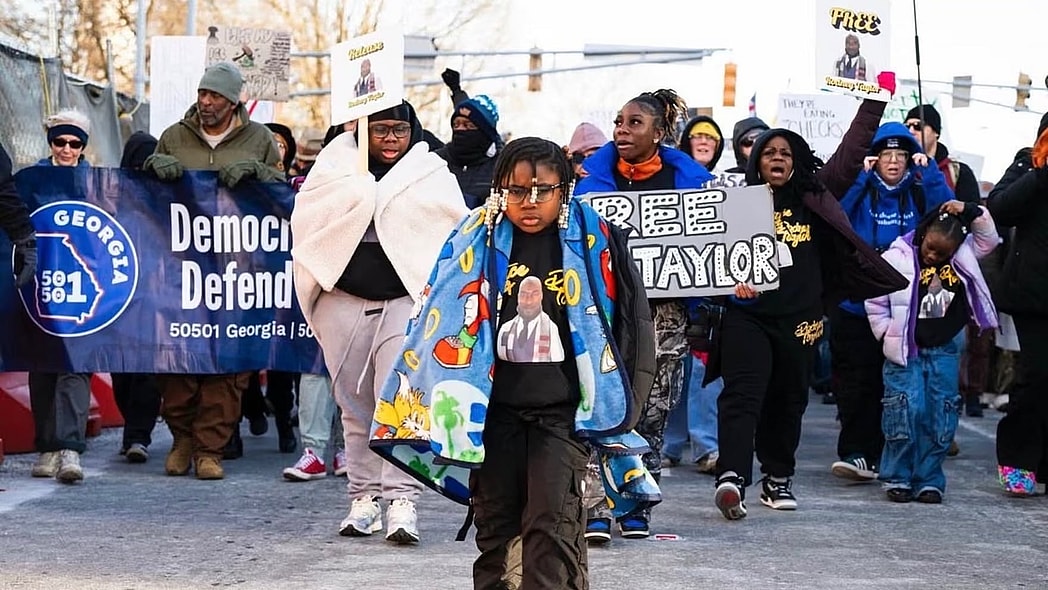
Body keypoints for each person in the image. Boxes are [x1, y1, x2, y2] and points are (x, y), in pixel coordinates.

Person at [367, 137, 657, 588]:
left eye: (543, 189)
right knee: (497, 533)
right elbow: (434, 323)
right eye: (516, 190)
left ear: (565, 190)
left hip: (562, 417)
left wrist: (627, 404)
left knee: (551, 526)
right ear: (499, 189)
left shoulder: (596, 239)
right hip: (492, 414)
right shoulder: (472, 240)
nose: (530, 201)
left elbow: (631, 329)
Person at [708, 99, 907, 521]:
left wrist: (873, 102)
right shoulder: (735, 202)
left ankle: (778, 478)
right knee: (742, 394)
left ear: (797, 163)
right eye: (768, 151)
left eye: (785, 152)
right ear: (756, 162)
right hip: (748, 316)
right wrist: (730, 283)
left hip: (802, 320)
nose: (777, 157)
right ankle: (732, 476)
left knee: (788, 399)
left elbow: (852, 152)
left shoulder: (817, 195)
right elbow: (712, 257)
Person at [290, 100, 468, 543]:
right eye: (381, 129)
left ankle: (402, 501)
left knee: (401, 403)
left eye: (400, 130)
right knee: (354, 405)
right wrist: (364, 195)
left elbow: (453, 229)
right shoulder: (334, 167)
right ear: (362, 129)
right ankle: (363, 499)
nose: (391, 139)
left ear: (413, 132)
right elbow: (308, 223)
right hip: (341, 298)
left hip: (407, 300)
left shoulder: (430, 171)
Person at [575, 88, 714, 539]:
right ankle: (596, 506)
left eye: (634, 123)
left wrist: (731, 282)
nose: (621, 130)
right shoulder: (588, 185)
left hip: (664, 315)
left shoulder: (692, 186)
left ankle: (636, 504)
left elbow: (712, 252)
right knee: (601, 406)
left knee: (651, 413)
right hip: (604, 313)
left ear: (660, 133)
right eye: (618, 121)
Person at [142, 61, 284, 480]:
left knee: (229, 366)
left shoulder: (259, 139)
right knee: (176, 359)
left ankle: (210, 450)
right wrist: (154, 167)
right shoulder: (173, 136)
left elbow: (281, 190)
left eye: (215, 96)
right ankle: (182, 437)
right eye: (203, 94)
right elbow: (143, 197)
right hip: (179, 266)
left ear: (234, 100)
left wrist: (260, 172)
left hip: (236, 269)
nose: (205, 102)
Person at [831, 121, 956, 483]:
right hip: (857, 305)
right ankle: (857, 454)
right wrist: (859, 177)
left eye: (901, 155)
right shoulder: (862, 189)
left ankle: (897, 458)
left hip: (906, 310)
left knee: (904, 388)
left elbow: (943, 217)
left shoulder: (918, 192)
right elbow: (836, 216)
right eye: (886, 154)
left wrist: (928, 170)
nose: (894, 162)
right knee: (858, 384)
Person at [866, 201, 998, 503]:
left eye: (942, 254)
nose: (933, 256)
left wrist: (969, 209)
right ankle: (898, 475)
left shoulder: (964, 254)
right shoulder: (897, 256)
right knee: (905, 409)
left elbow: (989, 238)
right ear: (923, 234)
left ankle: (929, 479)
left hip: (946, 348)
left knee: (939, 413)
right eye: (930, 248)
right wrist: (885, 331)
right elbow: (874, 298)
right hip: (905, 347)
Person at [28, 109, 94, 484]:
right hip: (40, 283)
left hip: (84, 288)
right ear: (51, 143)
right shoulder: (32, 180)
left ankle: (70, 447)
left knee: (76, 363)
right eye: (60, 142)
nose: (67, 149)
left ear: (83, 146)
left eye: (75, 143)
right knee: (41, 366)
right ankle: (47, 446)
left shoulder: (97, 182)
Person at [988, 116, 1048, 496]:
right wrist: (1041, 175)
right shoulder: (1029, 162)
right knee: (1038, 377)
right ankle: (1019, 458)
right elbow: (1000, 208)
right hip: (1035, 295)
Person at [113, 130, 163, 463]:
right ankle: (132, 427)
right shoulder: (110, 196)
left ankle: (137, 435)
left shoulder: (167, 198)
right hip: (119, 294)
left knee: (147, 367)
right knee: (120, 368)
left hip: (156, 295)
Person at [436, 94, 502, 209]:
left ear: (485, 132)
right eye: (456, 125)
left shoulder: (501, 166)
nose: (460, 129)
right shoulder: (437, 161)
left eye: (469, 125)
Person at [905, 105, 980, 203]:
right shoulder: (900, 167)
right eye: (907, 127)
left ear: (936, 132)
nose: (911, 131)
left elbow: (972, 212)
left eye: (918, 126)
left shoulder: (959, 171)